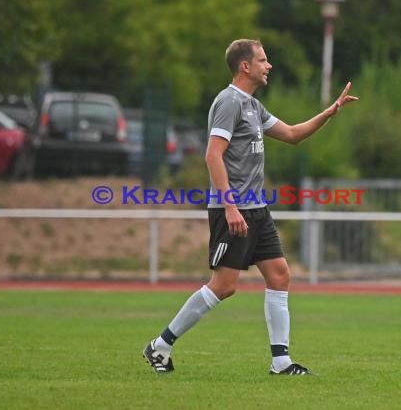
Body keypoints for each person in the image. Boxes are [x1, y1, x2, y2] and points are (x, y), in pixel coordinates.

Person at [143, 39, 358, 375]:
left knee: (280, 274)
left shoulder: (253, 106)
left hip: (257, 209)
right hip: (234, 209)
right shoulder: (228, 102)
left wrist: (330, 112)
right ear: (245, 66)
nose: (268, 65)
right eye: (263, 59)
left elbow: (291, 134)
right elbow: (212, 155)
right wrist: (230, 208)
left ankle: (281, 362)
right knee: (225, 286)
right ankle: (160, 345)